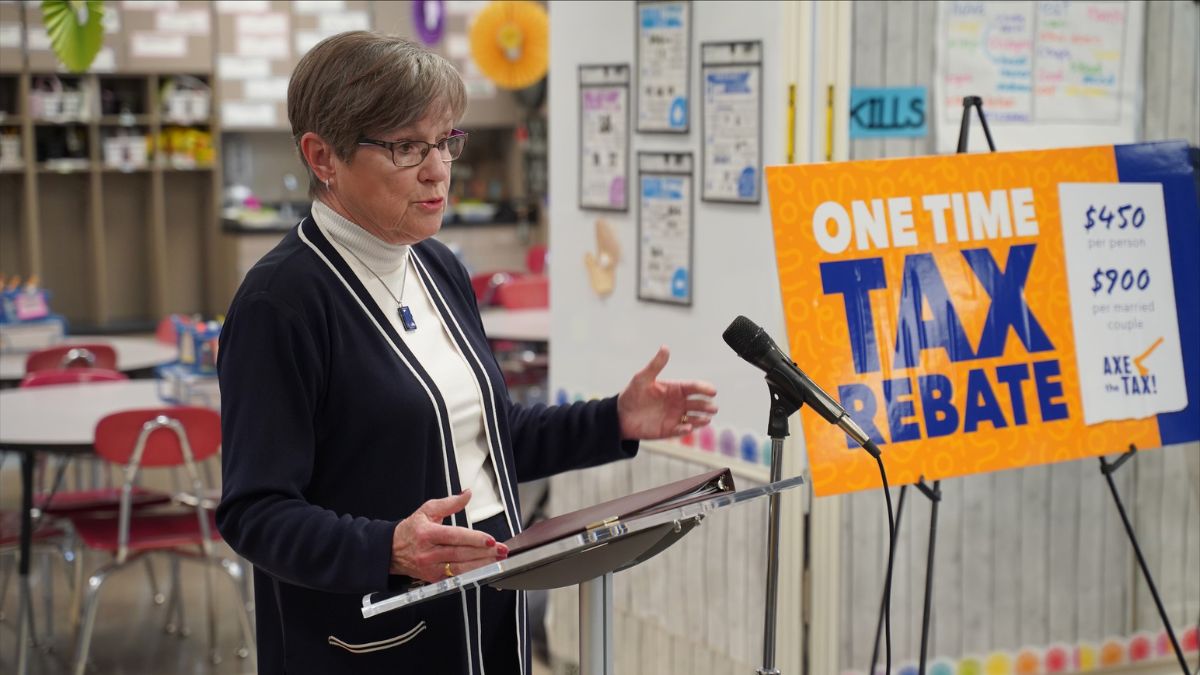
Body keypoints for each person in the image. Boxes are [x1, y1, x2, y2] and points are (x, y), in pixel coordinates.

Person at [215, 31, 717, 675]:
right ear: (322, 157)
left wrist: (614, 419)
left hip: (487, 608)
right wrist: (387, 548)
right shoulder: (280, 303)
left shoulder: (436, 265)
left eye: (445, 141)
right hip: (370, 638)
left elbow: (484, 439)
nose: (437, 169)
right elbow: (254, 513)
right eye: (404, 147)